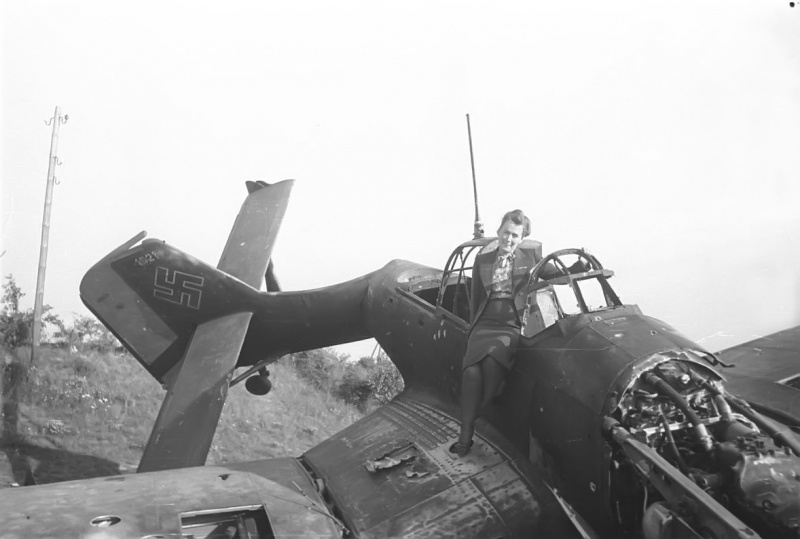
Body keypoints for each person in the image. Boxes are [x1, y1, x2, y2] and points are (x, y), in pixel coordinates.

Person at [450, 209, 542, 457]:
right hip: (484, 324)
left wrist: (577, 266)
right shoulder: (483, 259)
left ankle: (477, 412)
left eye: (514, 235)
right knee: (471, 373)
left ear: (521, 238)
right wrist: (472, 329)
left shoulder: (530, 258)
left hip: (508, 326)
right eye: (506, 232)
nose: (508, 239)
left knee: (491, 366)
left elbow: (551, 272)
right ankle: (466, 433)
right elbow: (475, 298)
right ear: (498, 231)